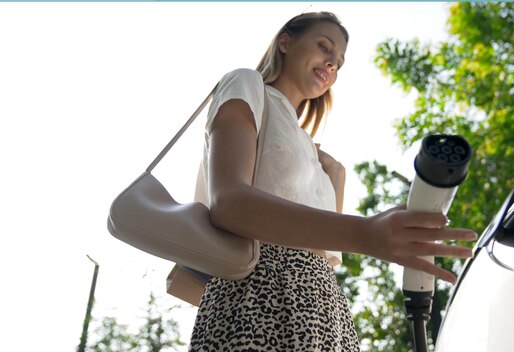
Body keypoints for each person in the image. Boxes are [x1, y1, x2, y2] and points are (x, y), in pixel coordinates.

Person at [189, 11, 476, 351]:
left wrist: (340, 183)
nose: (331, 64)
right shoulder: (247, 84)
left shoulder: (315, 153)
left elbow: (323, 253)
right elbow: (230, 205)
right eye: (324, 47)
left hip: (325, 310)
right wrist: (367, 232)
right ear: (285, 41)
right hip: (258, 296)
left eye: (339, 63)